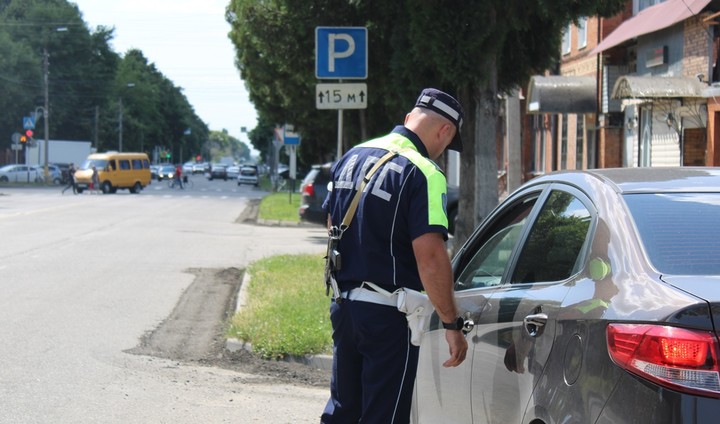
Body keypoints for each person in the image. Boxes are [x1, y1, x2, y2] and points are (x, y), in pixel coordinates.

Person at [320, 88, 469, 423]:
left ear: (408, 119)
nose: (443, 150)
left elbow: (331, 223)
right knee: (383, 416)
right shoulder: (425, 172)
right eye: (447, 143)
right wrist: (451, 323)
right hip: (389, 315)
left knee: (343, 412)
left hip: (344, 306)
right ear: (444, 131)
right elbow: (430, 256)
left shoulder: (352, 155)